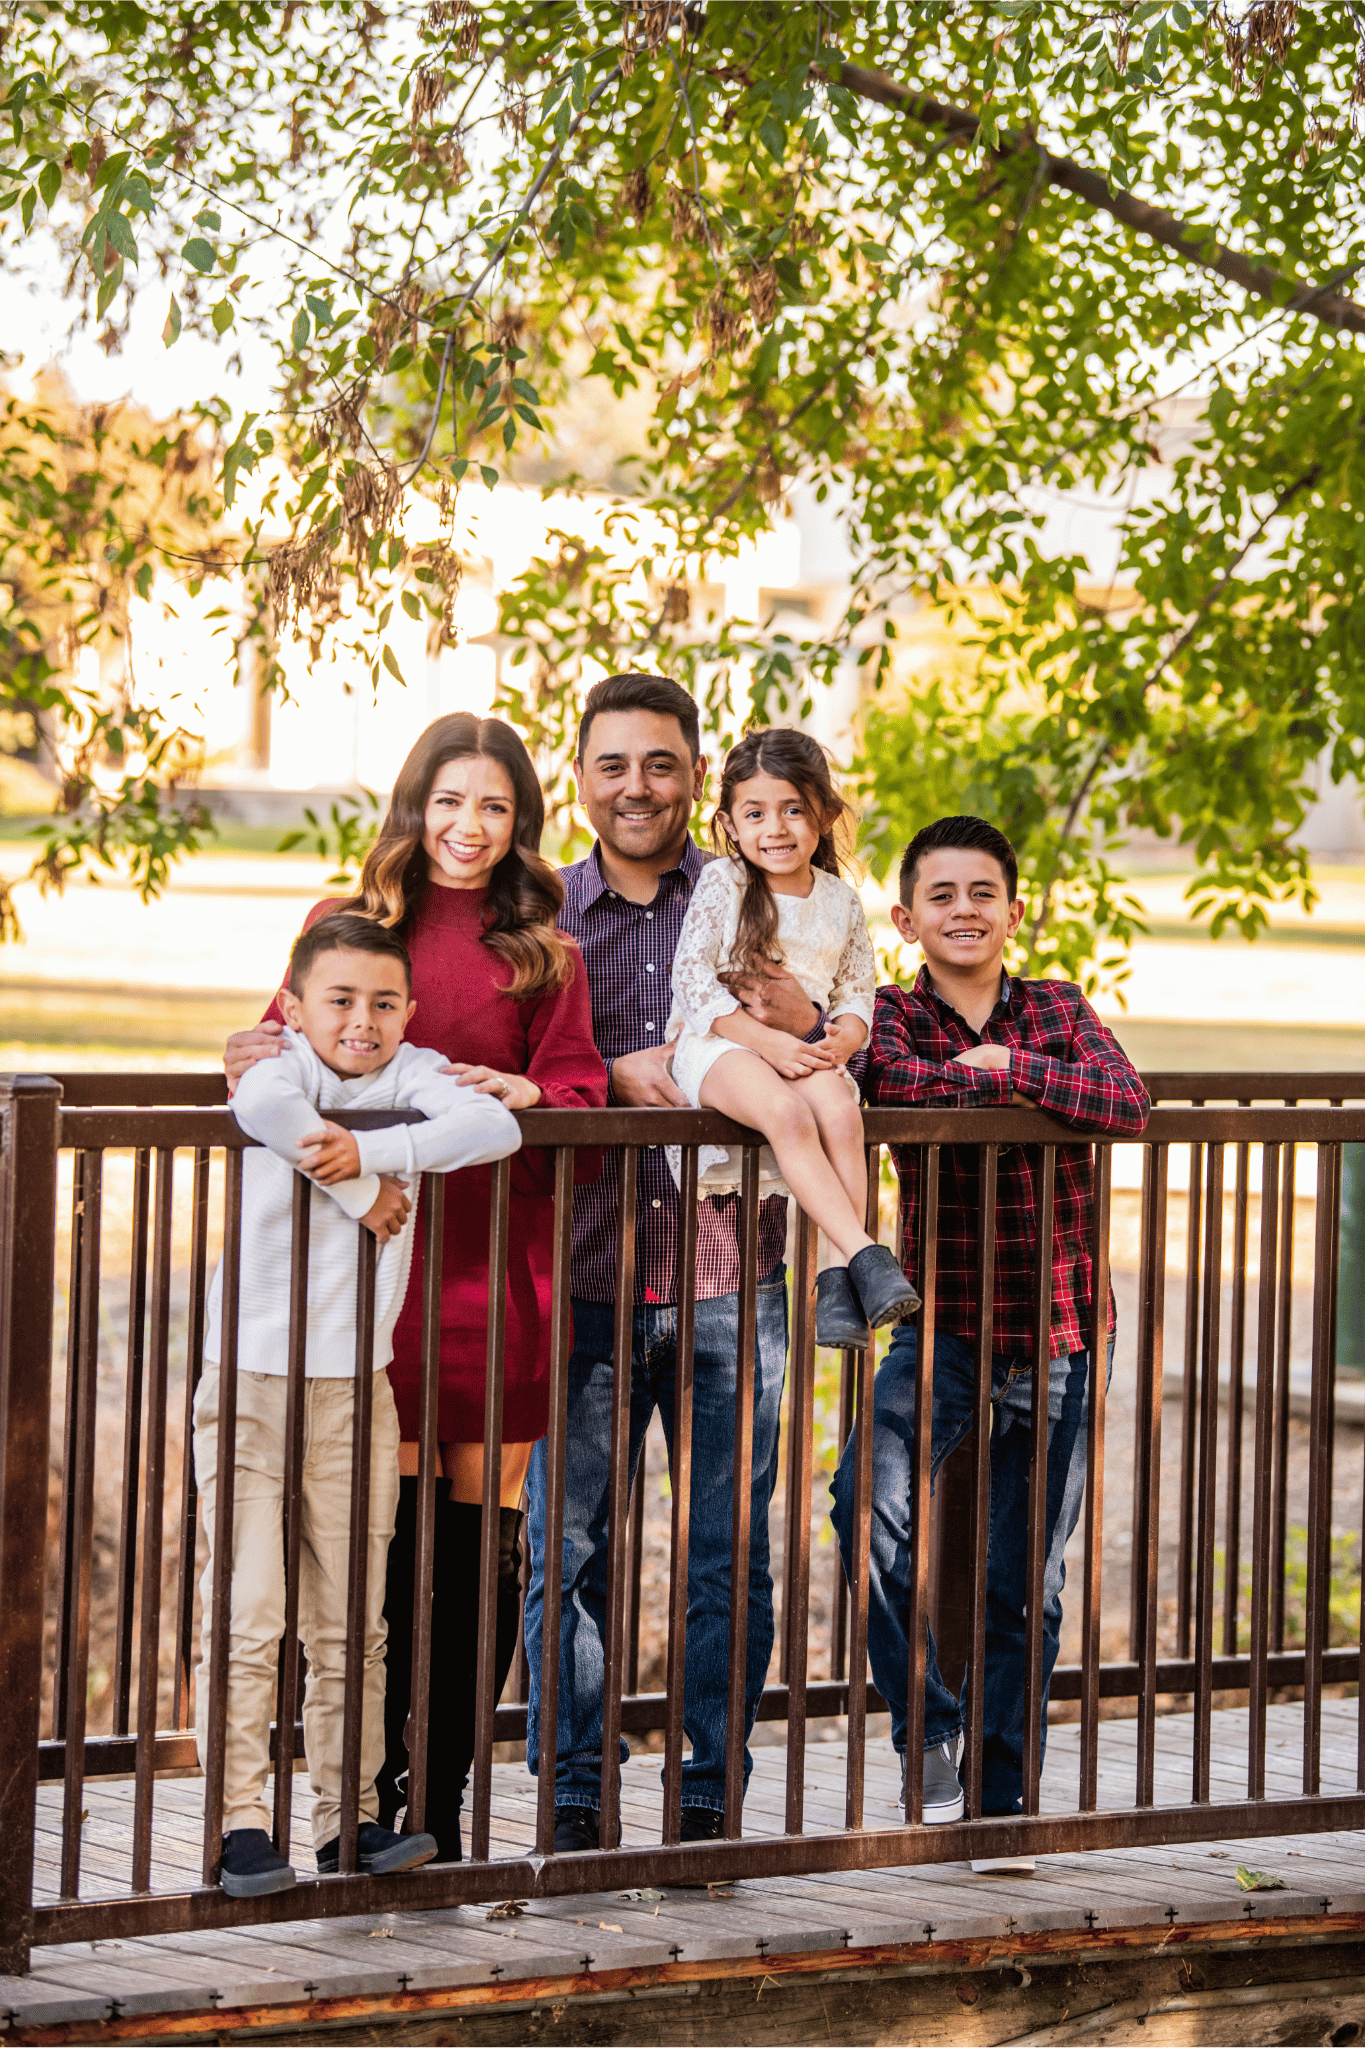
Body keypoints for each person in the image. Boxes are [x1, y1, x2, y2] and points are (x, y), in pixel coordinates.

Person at [223, 714, 607, 1863]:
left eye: (493, 806)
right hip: (371, 1267)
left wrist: (528, 1090)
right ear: (414, 805)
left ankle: (434, 1795)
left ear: (520, 819)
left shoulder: (548, 948)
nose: (468, 827)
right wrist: (240, 1054)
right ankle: (365, 1795)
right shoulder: (350, 926)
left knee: (479, 1533)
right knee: (378, 1541)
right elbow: (274, 1048)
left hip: (501, 1255)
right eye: (448, 801)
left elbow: (582, 1088)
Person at [524, 673, 844, 1850]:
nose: (637, 787)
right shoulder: (546, 915)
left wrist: (811, 1018)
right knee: (566, 1549)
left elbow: (838, 1023)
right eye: (614, 764)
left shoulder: (757, 900)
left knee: (731, 1549)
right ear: (583, 777)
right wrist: (612, 1073)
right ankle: (573, 1783)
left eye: (660, 763)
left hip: (729, 1275)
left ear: (696, 776)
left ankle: (712, 1782)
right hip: (585, 1276)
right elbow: (505, 1059)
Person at [829, 814, 1149, 1872]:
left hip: (1060, 1334)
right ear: (907, 914)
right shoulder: (891, 1014)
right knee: (865, 1503)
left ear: (1016, 910)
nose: (964, 910)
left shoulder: (1057, 1007)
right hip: (946, 1327)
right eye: (942, 894)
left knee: (1029, 1581)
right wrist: (1015, 1084)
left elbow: (1124, 1101)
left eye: (983, 893)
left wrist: (1009, 1061)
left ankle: (1003, 1802)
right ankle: (927, 1722)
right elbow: (897, 1091)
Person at [197, 911, 522, 1897]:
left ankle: (353, 1821)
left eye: (384, 1001)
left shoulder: (412, 1070)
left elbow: (497, 1123)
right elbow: (267, 1112)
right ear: (293, 1006)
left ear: (409, 1010)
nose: (362, 1019)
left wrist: (387, 1162)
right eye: (339, 999)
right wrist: (352, 1183)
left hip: (356, 1390)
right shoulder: (280, 1068)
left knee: (355, 1619)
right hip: (254, 1383)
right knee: (251, 1607)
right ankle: (240, 1823)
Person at [667, 727, 918, 1349]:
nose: (775, 828)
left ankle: (835, 1279)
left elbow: (859, 988)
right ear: (729, 822)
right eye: (756, 813)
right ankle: (865, 1253)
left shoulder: (839, 900)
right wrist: (768, 1042)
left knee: (842, 1110)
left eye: (794, 810)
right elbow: (693, 979)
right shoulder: (724, 884)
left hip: (803, 1049)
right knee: (787, 1113)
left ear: (825, 815)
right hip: (720, 1043)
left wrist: (846, 1037)